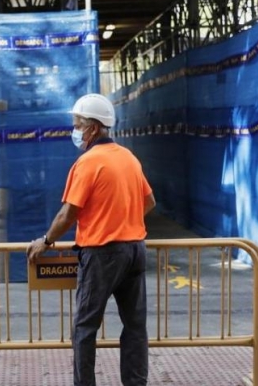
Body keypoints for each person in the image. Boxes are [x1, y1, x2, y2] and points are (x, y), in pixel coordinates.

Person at [26, 93, 156, 386]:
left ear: (93, 128)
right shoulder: (129, 158)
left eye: (77, 125)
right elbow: (149, 202)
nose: (75, 131)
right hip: (135, 249)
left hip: (102, 254)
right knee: (135, 326)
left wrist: (45, 241)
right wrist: (123, 219)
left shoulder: (88, 162)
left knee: (84, 328)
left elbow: (68, 213)